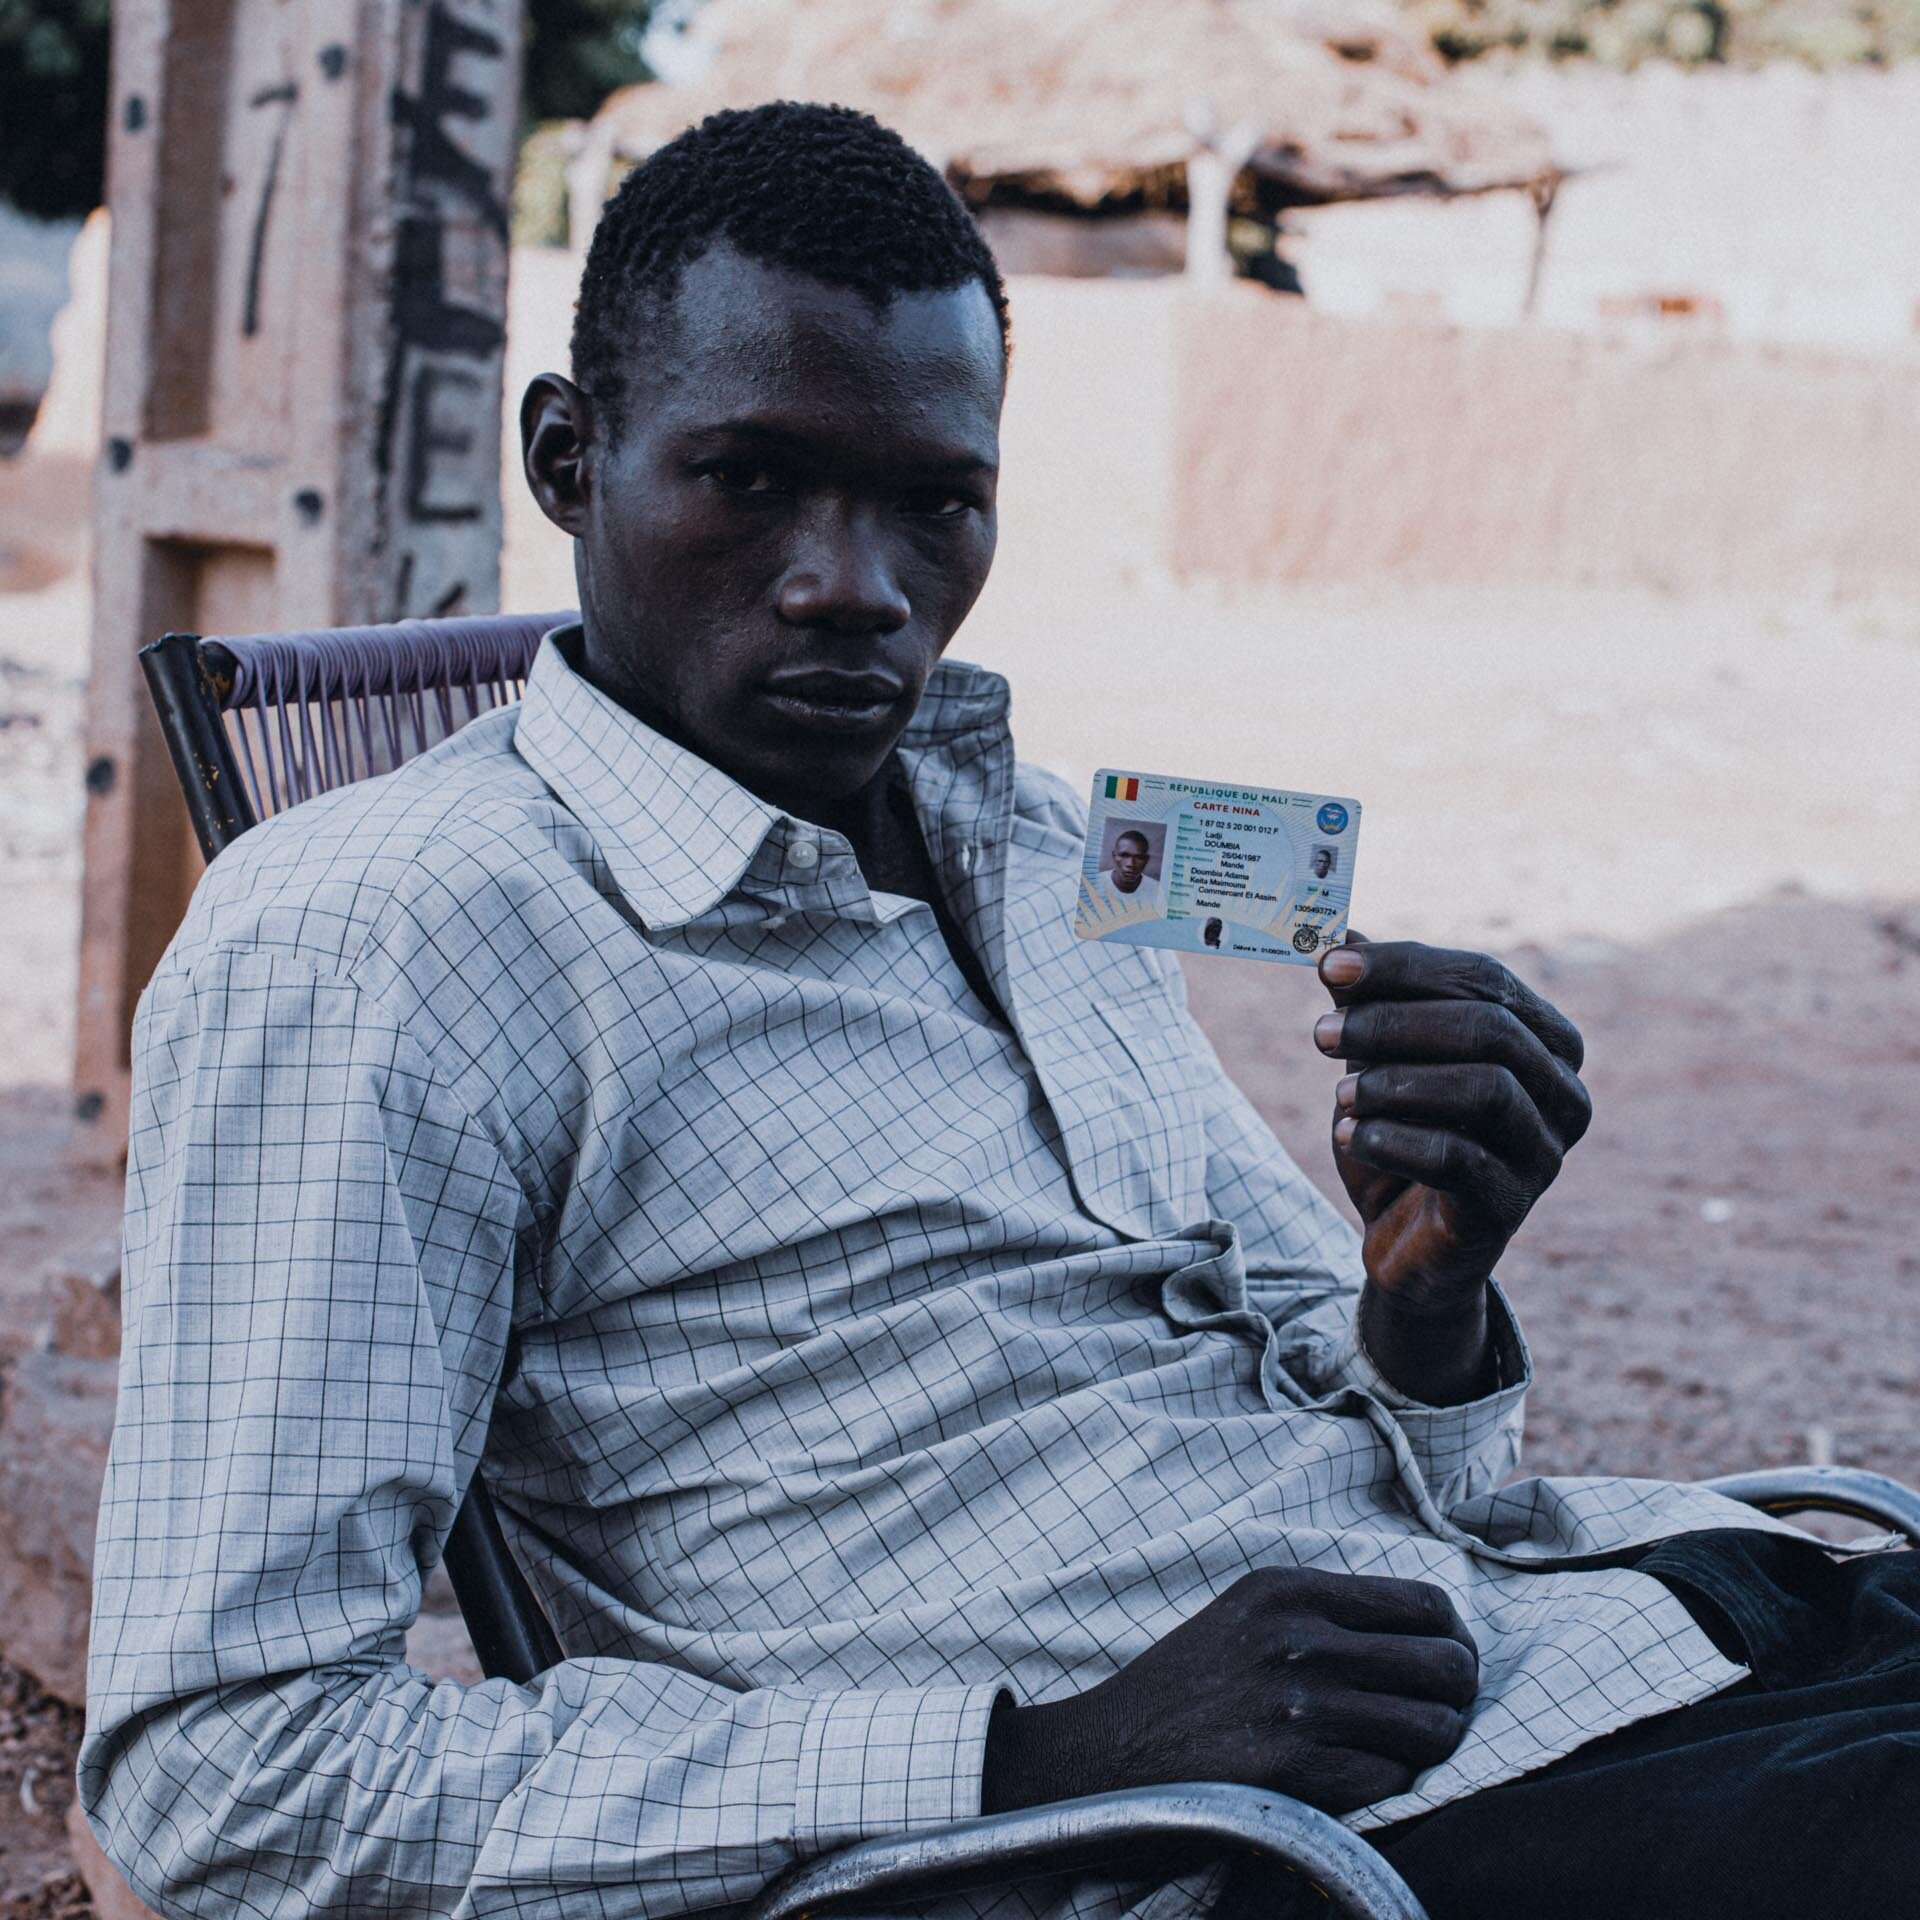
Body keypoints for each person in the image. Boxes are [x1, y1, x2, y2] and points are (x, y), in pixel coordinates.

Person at [81, 104, 1916, 1920]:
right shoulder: (378, 944)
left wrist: (1423, 1304)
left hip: (1630, 1636)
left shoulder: (1041, 848)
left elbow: (1385, 1433)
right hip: (1299, 1850)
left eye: (937, 501)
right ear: (572, 460)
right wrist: (1034, 1753)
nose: (855, 588)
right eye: (751, 479)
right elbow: (229, 1773)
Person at [1090, 825, 1163, 912]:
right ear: (1114, 856)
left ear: (1146, 860)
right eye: (1124, 855)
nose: (1131, 864)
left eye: (1139, 857)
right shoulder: (1092, 883)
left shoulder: (1158, 891)